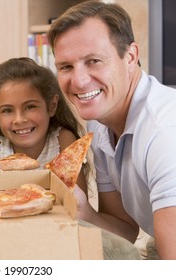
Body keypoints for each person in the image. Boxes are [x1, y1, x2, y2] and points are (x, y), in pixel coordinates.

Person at [47, 1, 176, 259]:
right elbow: (124, 230)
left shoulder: (165, 134)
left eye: (93, 61)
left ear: (130, 57)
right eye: (66, 67)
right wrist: (84, 211)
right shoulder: (99, 120)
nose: (79, 81)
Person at [0, 57, 89, 194]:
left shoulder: (63, 141)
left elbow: (78, 201)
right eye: (7, 110)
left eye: (30, 107)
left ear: (52, 106)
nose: (19, 120)